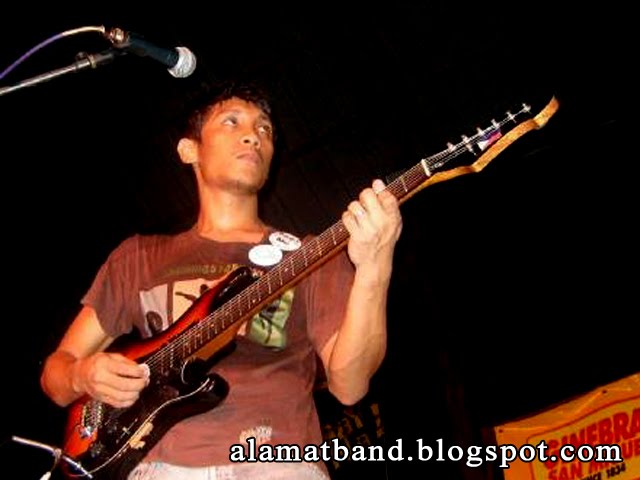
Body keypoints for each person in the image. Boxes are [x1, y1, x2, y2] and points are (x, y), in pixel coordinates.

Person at [40, 79, 403, 479]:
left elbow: (350, 385)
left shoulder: (309, 255)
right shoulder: (137, 257)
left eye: (265, 129)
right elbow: (56, 375)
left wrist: (375, 267)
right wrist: (83, 375)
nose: (253, 135)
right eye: (232, 122)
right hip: (156, 467)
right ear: (189, 150)